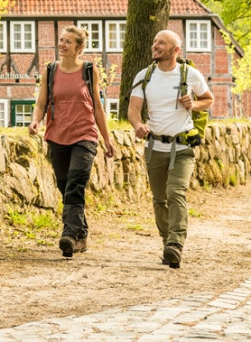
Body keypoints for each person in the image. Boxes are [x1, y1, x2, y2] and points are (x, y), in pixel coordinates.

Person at [127, 30, 213, 269]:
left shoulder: (190, 74)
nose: (155, 46)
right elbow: (133, 109)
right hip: (154, 147)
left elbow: (208, 99)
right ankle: (168, 243)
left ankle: (175, 244)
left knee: (176, 192)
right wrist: (138, 124)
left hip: (182, 146)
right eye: (155, 41)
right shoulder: (145, 76)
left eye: (162, 43)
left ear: (176, 50)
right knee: (160, 199)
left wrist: (193, 103)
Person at [29, 25, 114, 258]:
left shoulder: (89, 70)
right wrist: (35, 121)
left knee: (76, 183)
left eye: (68, 41)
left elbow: (97, 106)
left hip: (84, 135)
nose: (62, 44)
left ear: (79, 47)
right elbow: (41, 103)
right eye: (61, 40)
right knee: (65, 186)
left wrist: (106, 139)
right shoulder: (50, 70)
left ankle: (69, 233)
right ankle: (81, 234)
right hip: (57, 135)